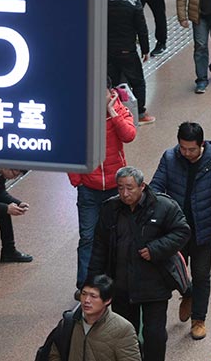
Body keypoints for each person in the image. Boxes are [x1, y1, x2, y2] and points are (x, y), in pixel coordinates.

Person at [87, 166, 190, 361]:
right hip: (122, 285)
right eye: (120, 188)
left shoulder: (164, 206)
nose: (124, 194)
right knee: (126, 335)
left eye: (130, 188)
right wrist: (92, 283)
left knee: (154, 334)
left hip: (155, 284)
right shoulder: (110, 209)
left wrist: (156, 249)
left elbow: (182, 232)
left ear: (142, 186)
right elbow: (99, 247)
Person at [148, 122, 211, 341]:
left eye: (191, 149)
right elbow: (156, 186)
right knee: (174, 272)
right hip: (175, 231)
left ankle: (199, 319)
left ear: (201, 145)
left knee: (202, 275)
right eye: (182, 148)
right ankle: (188, 292)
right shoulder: (169, 158)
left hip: (203, 229)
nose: (186, 153)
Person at [68, 80, 133, 295]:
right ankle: (85, 285)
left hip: (117, 187)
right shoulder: (78, 113)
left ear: (111, 92)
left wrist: (111, 111)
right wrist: (77, 179)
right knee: (88, 237)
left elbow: (128, 135)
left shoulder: (119, 110)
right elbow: (70, 145)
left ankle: (112, 282)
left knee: (117, 236)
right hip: (89, 188)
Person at [49, 274, 140, 361]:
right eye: (84, 294)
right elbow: (55, 353)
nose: (86, 300)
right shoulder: (69, 321)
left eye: (93, 296)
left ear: (107, 300)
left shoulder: (123, 329)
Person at [106, 0, 153, 124]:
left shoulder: (103, 1)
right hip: (127, 50)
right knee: (137, 82)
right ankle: (140, 114)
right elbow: (141, 28)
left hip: (108, 50)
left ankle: (112, 111)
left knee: (111, 82)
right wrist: (145, 49)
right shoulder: (133, 2)